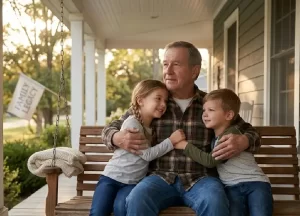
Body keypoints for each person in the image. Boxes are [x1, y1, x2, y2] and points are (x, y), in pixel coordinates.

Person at [102, 41, 261, 216]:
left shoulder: (211, 103)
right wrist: (117, 137)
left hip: (201, 178)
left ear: (195, 71)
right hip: (160, 177)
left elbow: (250, 131)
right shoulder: (153, 102)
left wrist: (244, 140)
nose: (167, 71)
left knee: (215, 199)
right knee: (137, 198)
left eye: (176, 64)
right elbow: (111, 128)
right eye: (165, 64)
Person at [89, 79, 186, 216]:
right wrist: (171, 141)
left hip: (132, 183)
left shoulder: (151, 126)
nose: (163, 104)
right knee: (98, 212)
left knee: (121, 209)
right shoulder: (132, 123)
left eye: (165, 100)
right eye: (158, 99)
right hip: (111, 178)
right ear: (140, 101)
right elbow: (147, 154)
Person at [174, 88, 273, 216]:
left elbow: (210, 161)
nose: (204, 114)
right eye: (204, 110)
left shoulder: (231, 135)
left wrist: (185, 145)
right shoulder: (215, 138)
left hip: (256, 184)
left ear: (229, 115)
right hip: (232, 187)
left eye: (211, 110)